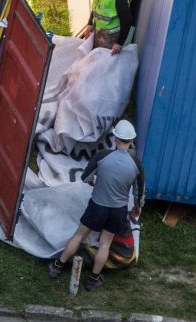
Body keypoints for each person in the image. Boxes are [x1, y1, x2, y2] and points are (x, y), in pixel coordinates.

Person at [48, 119, 145, 291]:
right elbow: (139, 193)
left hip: (97, 206)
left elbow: (86, 177)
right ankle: (93, 279)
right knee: (105, 244)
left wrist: (96, 183)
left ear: (115, 138)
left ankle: (57, 266)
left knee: (79, 236)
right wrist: (138, 207)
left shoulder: (102, 157)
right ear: (131, 141)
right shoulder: (136, 164)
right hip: (118, 211)